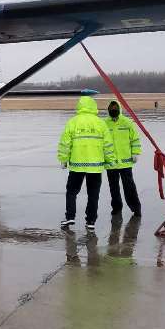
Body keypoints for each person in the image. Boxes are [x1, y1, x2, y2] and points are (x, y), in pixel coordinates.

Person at [57, 94, 116, 230]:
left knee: (71, 192)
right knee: (93, 194)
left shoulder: (73, 122)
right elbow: (108, 144)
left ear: (79, 106)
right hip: (95, 167)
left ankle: (70, 217)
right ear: (93, 107)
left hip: (77, 165)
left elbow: (65, 143)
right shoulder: (100, 123)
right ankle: (91, 221)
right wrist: (110, 161)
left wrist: (63, 159)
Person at [104, 100, 142, 216]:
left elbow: (135, 139)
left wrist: (135, 153)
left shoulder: (127, 122)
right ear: (108, 109)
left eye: (115, 107)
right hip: (111, 162)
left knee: (129, 187)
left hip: (126, 162)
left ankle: (136, 208)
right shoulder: (104, 124)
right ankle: (116, 207)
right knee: (113, 188)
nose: (113, 110)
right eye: (111, 108)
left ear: (119, 109)